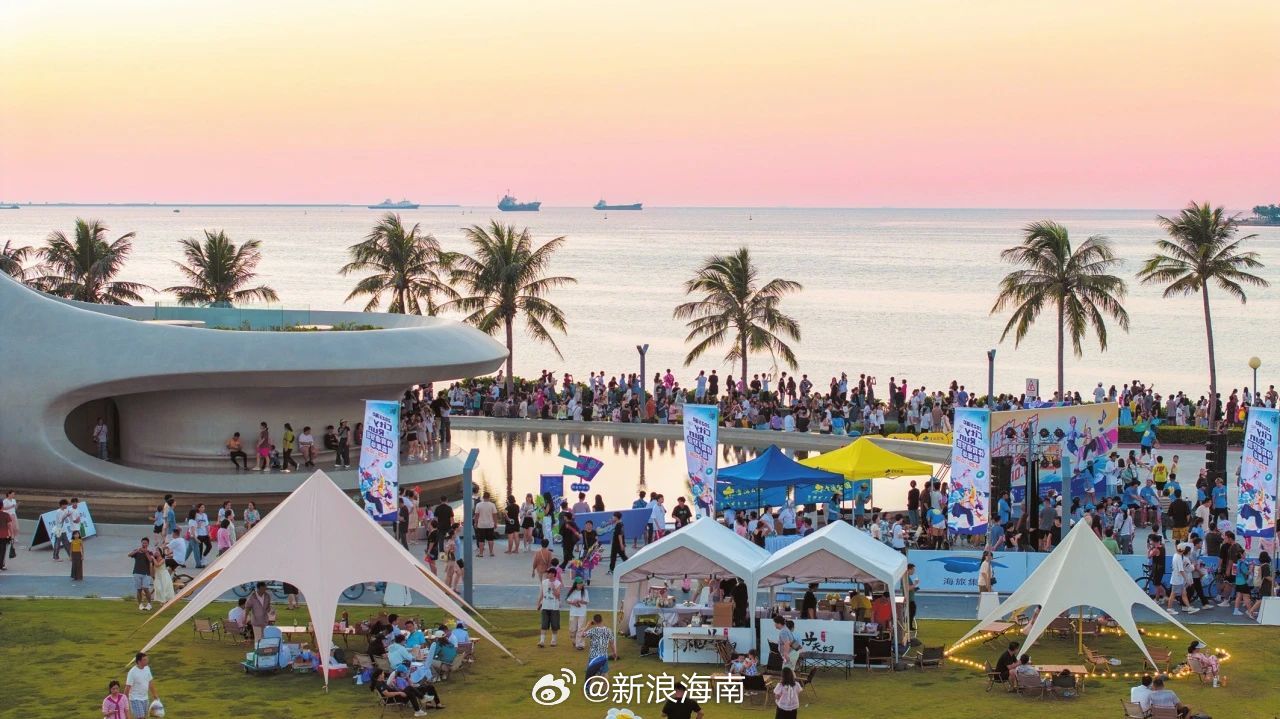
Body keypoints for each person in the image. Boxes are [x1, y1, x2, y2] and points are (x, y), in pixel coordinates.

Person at [125, 652, 159, 719]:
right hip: (135, 699)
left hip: (145, 698)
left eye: (147, 659)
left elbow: (150, 683)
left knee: (144, 717)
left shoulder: (147, 668)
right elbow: (127, 687)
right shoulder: (132, 672)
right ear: (139, 661)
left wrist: (155, 695)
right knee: (141, 717)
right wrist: (124, 701)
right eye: (144, 660)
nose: (147, 661)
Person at [583, 613, 617, 678]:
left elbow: (582, 635)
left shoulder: (592, 630)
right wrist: (614, 653)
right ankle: (605, 687)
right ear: (602, 620)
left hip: (593, 655)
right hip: (603, 655)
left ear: (594, 622)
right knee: (605, 673)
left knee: (593, 675)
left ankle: (592, 687)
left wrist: (587, 625)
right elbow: (612, 643)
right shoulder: (608, 630)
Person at [537, 567, 562, 648]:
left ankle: (553, 640)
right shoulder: (544, 582)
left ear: (554, 574)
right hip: (545, 606)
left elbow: (558, 596)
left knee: (554, 625)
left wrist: (553, 587)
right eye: (548, 573)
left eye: (550, 573)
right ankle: (542, 641)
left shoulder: (558, 583)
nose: (548, 574)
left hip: (554, 607)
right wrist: (539, 603)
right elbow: (542, 593)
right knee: (544, 624)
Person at [129, 538, 154, 611]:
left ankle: (149, 604)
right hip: (136, 572)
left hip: (146, 573)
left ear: (148, 544)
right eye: (143, 543)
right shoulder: (137, 551)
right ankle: (140, 604)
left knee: (146, 588)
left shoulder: (149, 552)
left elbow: (151, 560)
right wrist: (137, 550)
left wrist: (146, 552)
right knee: (139, 589)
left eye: (145, 543)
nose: (144, 544)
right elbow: (129, 555)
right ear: (141, 543)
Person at [566, 576, 590, 649]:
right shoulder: (572, 591)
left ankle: (580, 644)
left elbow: (586, 602)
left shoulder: (585, 592)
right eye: (579, 583)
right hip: (573, 612)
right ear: (575, 584)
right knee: (572, 629)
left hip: (582, 613)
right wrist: (574, 603)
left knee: (581, 628)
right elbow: (568, 600)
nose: (580, 585)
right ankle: (574, 640)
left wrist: (579, 601)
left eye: (581, 583)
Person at [474, 492, 498, 558]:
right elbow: (495, 515)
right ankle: (491, 552)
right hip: (490, 524)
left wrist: (475, 523)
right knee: (490, 539)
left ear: (483, 497)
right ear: (489, 497)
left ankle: (481, 554)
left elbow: (476, 515)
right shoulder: (492, 505)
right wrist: (495, 523)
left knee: (481, 540)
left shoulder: (478, 505)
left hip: (481, 525)